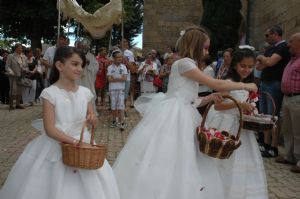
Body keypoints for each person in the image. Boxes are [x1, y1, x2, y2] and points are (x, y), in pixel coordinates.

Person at [113, 25, 257, 199]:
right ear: (195, 46)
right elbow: (216, 84)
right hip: (175, 115)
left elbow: (190, 98)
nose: (207, 50)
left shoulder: (188, 64)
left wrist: (209, 99)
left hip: (185, 110)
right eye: (205, 47)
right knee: (172, 154)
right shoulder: (184, 63)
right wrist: (244, 85)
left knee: (186, 156)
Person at [0, 46, 120, 199]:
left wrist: (92, 119)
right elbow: (50, 129)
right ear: (59, 65)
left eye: (81, 65)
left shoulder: (85, 93)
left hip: (82, 145)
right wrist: (76, 142)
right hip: (56, 144)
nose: (79, 69)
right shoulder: (50, 93)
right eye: (75, 64)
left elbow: (93, 119)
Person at [205, 48, 268, 199]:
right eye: (243, 66)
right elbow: (218, 106)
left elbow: (250, 104)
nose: (246, 70)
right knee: (223, 159)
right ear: (234, 65)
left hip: (242, 130)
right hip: (226, 126)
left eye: (250, 67)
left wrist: (256, 115)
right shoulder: (228, 83)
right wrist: (238, 104)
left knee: (241, 163)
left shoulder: (250, 84)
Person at [256, 25, 291, 157]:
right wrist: (265, 60)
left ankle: (274, 146)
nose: (266, 38)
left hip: (274, 84)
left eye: (267, 35)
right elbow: (259, 67)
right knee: (265, 115)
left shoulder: (283, 47)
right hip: (265, 83)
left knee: (273, 116)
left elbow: (269, 63)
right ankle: (266, 144)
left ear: (276, 34)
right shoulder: (271, 49)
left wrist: (262, 57)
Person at [275, 32, 300, 173]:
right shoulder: (293, 59)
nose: (288, 44)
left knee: (298, 130)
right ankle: (290, 156)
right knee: (288, 129)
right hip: (288, 98)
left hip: (297, 98)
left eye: (291, 41)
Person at [76, 38, 99, 115]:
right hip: (78, 79)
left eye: (85, 46)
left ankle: (90, 112)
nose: (83, 48)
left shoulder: (91, 56)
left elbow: (96, 67)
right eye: (81, 46)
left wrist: (88, 63)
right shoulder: (75, 55)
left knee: (89, 94)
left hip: (88, 79)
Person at [107, 50, 128, 131]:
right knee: (113, 106)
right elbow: (109, 79)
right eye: (118, 57)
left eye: (121, 57)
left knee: (121, 105)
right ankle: (114, 120)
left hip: (121, 89)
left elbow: (124, 78)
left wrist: (115, 78)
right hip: (112, 89)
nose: (120, 59)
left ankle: (122, 122)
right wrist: (120, 78)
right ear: (114, 58)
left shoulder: (124, 67)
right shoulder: (110, 67)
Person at [5, 43, 27, 109]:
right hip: (13, 76)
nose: (20, 49)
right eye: (19, 48)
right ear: (15, 48)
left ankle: (18, 104)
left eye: (21, 48)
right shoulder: (11, 56)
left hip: (21, 75)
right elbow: (7, 66)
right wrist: (11, 72)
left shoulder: (24, 56)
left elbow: (26, 66)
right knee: (13, 90)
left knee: (19, 90)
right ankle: (11, 104)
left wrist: (25, 69)